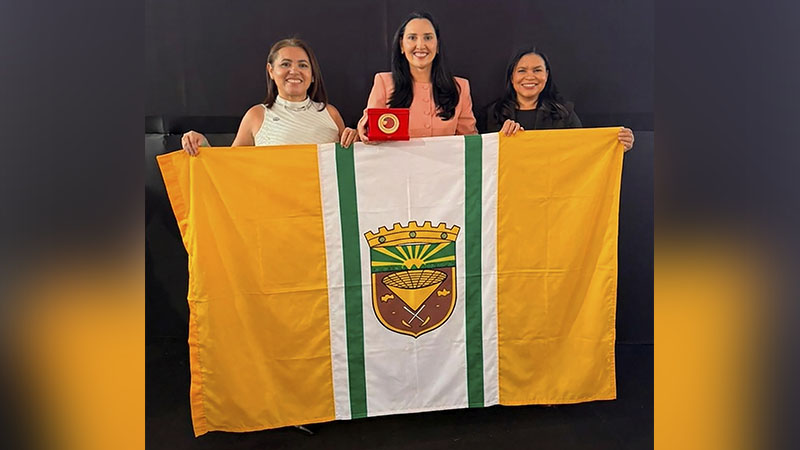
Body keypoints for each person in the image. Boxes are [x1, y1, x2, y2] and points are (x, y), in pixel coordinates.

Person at [182, 38, 359, 154]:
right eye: (285, 64)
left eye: (303, 65)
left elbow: (353, 165)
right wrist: (202, 146)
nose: (294, 71)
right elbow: (231, 168)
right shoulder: (256, 115)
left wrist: (357, 139)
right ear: (271, 71)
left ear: (313, 75)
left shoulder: (331, 113)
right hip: (274, 211)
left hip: (322, 210)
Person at [479, 47, 634, 151]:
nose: (530, 76)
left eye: (537, 70)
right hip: (508, 194)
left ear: (546, 76)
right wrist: (500, 139)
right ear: (512, 77)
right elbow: (480, 158)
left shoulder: (564, 113)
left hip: (552, 195)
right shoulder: (492, 114)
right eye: (522, 70)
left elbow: (584, 150)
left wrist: (616, 145)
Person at [356, 11, 477, 142]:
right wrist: (358, 133)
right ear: (402, 45)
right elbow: (368, 131)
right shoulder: (384, 83)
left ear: (437, 46)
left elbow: (469, 143)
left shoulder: (460, 88)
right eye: (412, 38)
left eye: (428, 38)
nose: (420, 45)